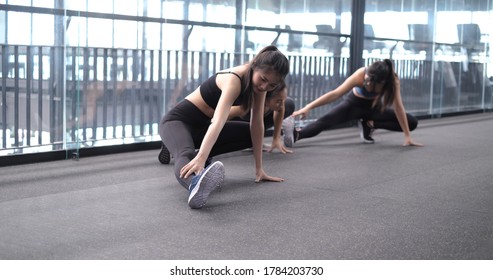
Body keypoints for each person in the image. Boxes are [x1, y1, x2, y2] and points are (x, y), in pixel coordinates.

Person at [158, 45, 290, 209]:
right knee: (186, 154)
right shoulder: (234, 79)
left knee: (250, 134)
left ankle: (184, 147)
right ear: (254, 66)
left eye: (271, 85)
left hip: (202, 127)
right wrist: (200, 158)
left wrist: (259, 170)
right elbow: (219, 121)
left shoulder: (260, 86)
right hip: (178, 121)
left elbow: (257, 124)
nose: (264, 87)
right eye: (263, 80)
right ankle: (194, 184)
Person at [284, 59, 423, 147]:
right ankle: (296, 135)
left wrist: (407, 136)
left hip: (374, 109)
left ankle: (370, 124)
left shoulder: (392, 81)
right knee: (325, 121)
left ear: (382, 83)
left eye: (369, 83)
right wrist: (309, 107)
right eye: (366, 80)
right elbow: (335, 94)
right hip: (353, 105)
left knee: (412, 123)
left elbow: (398, 108)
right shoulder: (361, 74)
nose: (366, 82)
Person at [228, 81, 295, 154]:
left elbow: (280, 109)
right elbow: (221, 118)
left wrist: (276, 138)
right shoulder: (246, 105)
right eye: (278, 101)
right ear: (265, 98)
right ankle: (250, 138)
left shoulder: (278, 104)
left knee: (289, 104)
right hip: (237, 122)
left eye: (283, 100)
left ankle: (254, 138)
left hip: (256, 120)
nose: (282, 105)